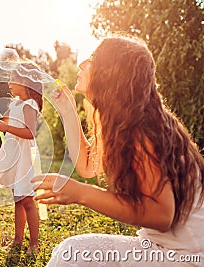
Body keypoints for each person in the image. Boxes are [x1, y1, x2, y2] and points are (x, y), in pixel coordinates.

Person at [32, 35, 204, 266]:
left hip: (186, 256)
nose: (83, 63)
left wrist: (80, 193)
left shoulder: (143, 130)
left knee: (69, 254)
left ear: (111, 73)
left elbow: (163, 215)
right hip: (165, 248)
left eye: (93, 59)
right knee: (70, 252)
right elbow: (87, 164)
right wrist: (67, 109)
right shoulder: (129, 122)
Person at [0, 61, 43, 254]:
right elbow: (4, 121)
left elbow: (30, 133)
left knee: (27, 200)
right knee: (18, 200)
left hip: (25, 157)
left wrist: (7, 128)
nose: (9, 83)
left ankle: (34, 244)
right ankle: (18, 240)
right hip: (15, 156)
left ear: (26, 82)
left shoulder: (30, 104)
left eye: (13, 79)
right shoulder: (17, 103)